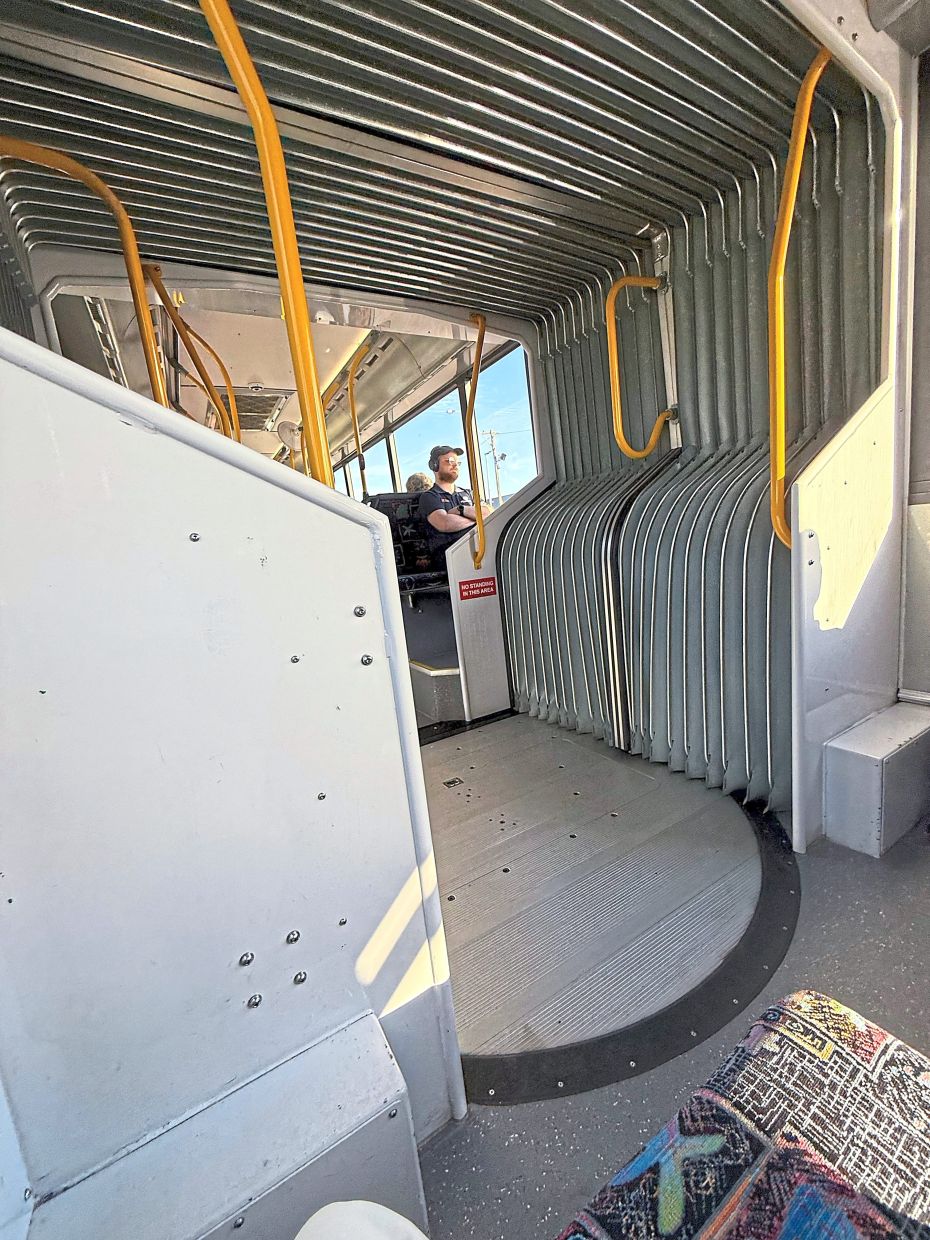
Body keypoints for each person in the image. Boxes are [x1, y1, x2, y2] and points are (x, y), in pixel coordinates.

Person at [418, 445, 492, 569]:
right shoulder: (430, 497)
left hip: (479, 552)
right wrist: (476, 518)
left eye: (458, 462)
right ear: (434, 465)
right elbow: (445, 523)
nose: (455, 465)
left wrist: (460, 510)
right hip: (449, 558)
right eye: (450, 461)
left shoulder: (469, 493)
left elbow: (488, 513)